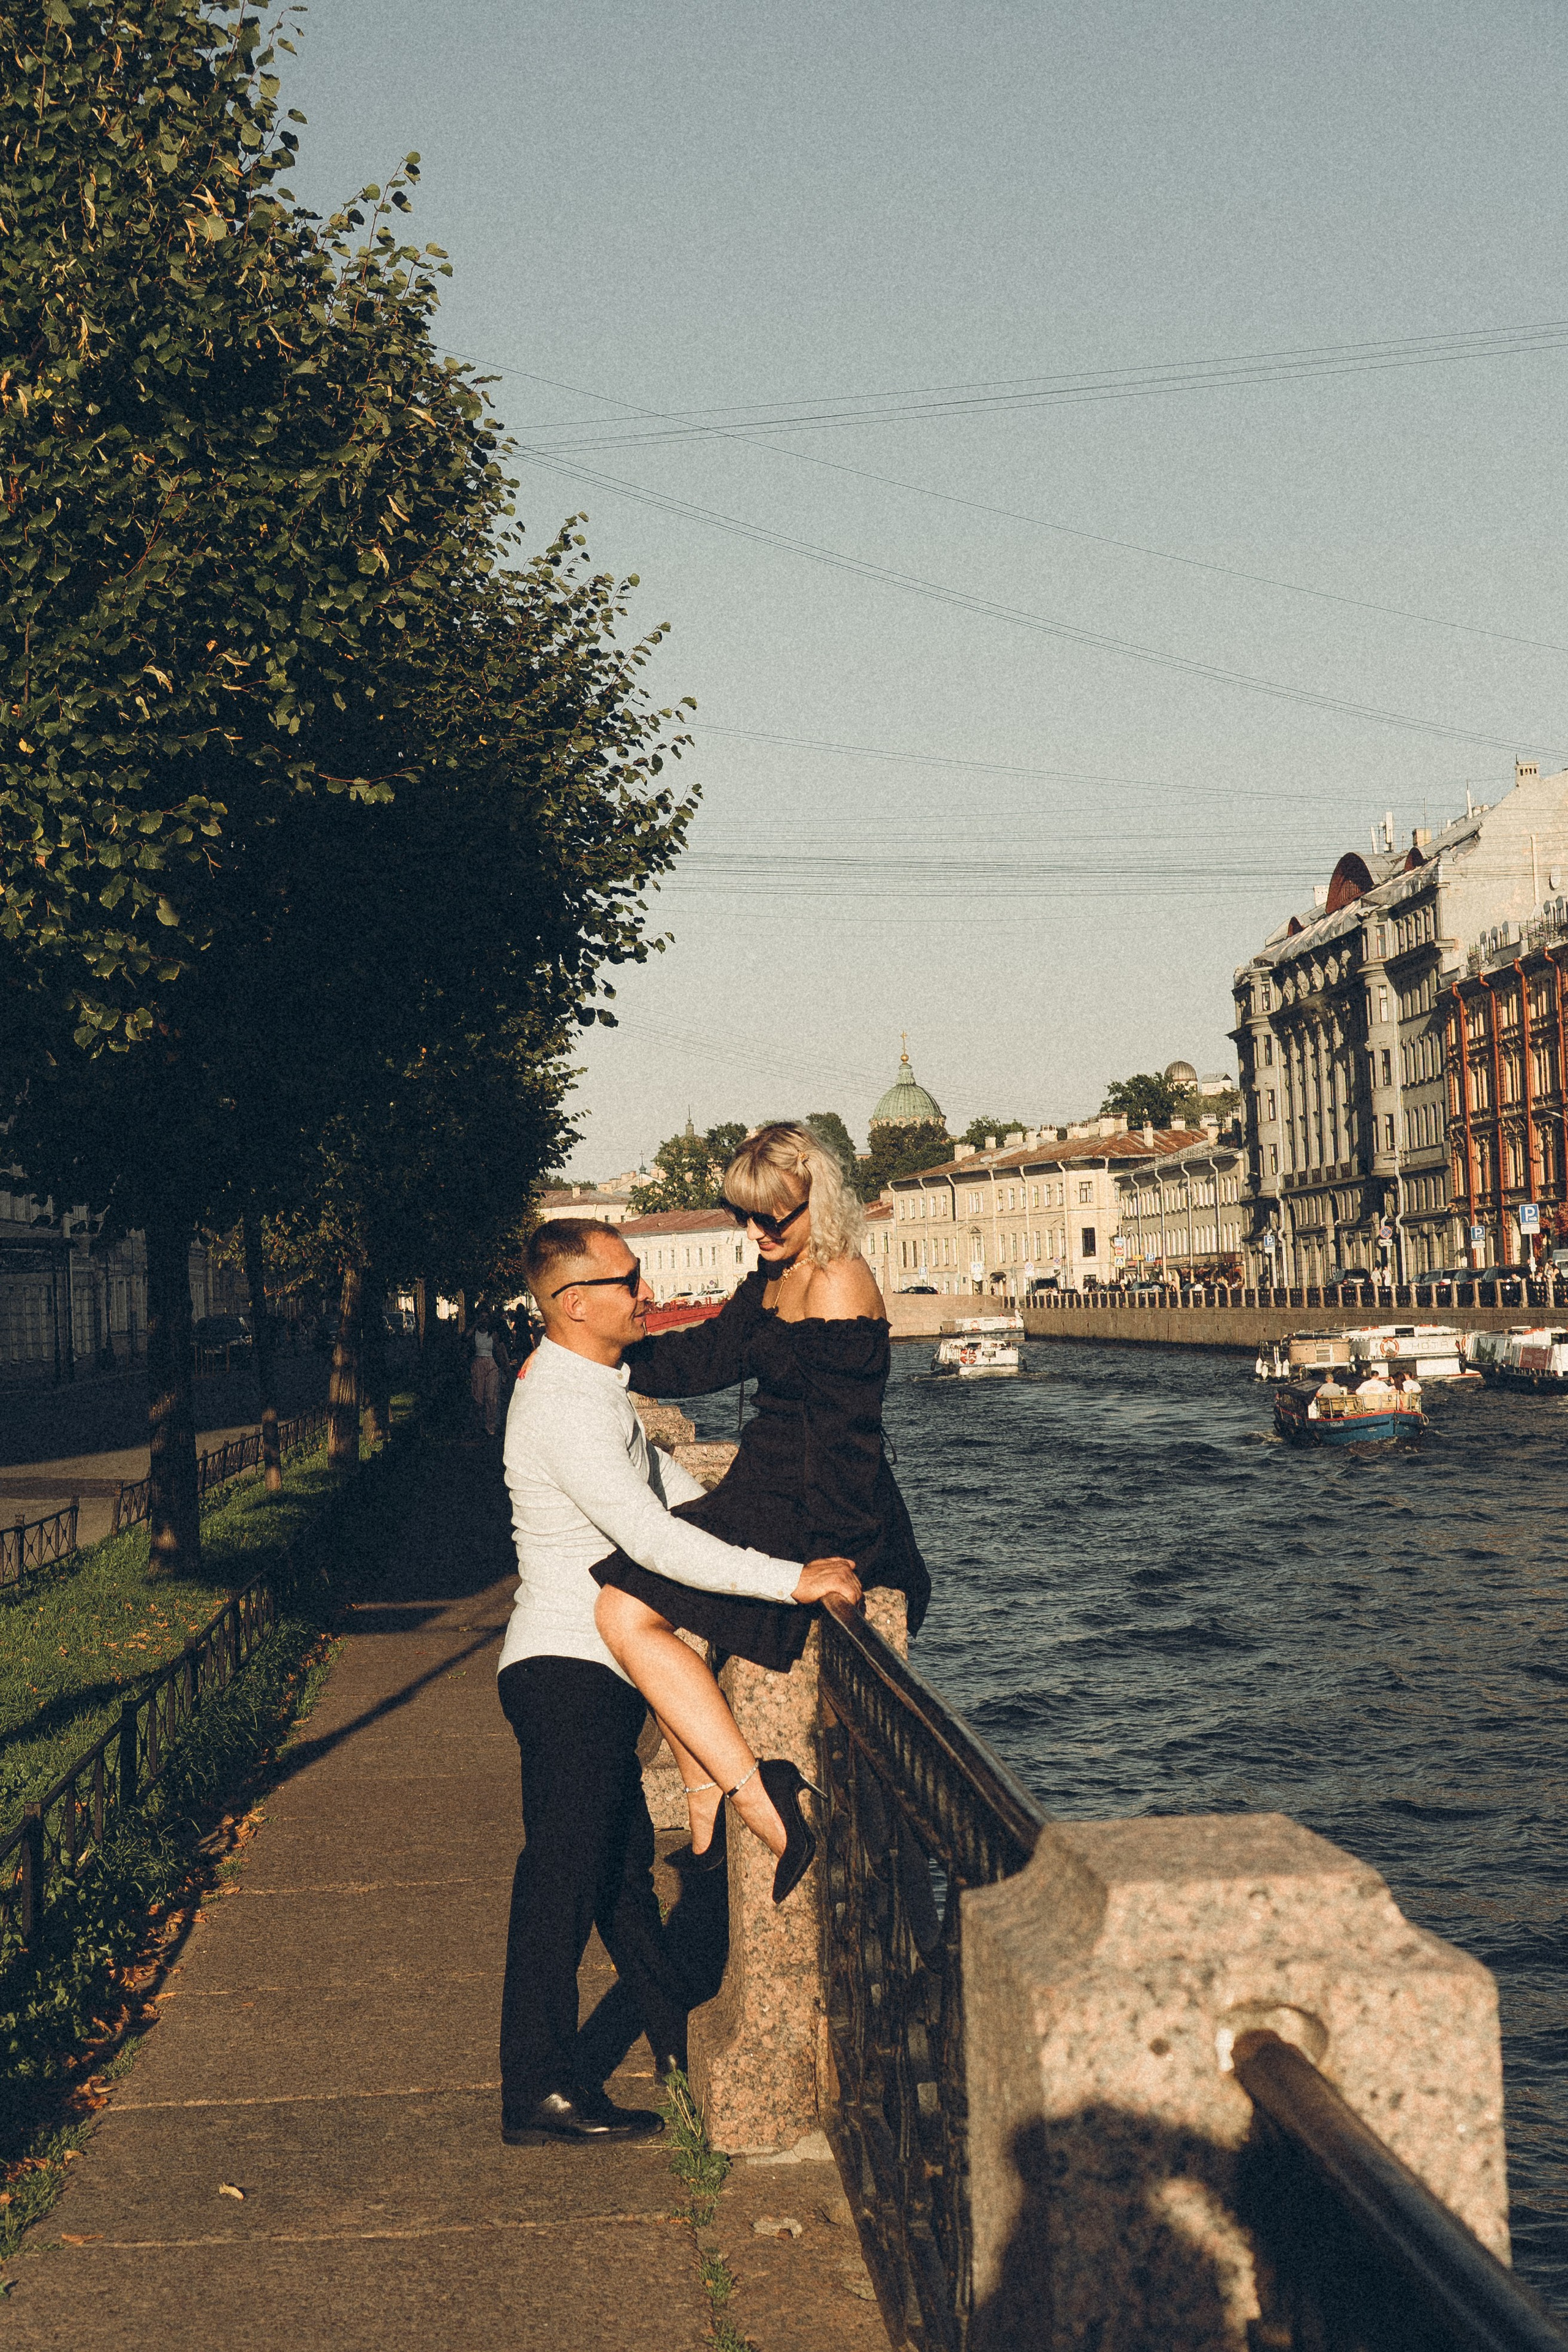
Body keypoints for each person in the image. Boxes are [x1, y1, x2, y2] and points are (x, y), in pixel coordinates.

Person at [497, 1215, 860, 2149]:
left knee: (616, 1880)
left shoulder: (589, 1387)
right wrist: (792, 1582)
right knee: (563, 1878)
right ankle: (534, 2087)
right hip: (567, 1668)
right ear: (574, 1305)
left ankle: (671, 2039)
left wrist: (805, 1515)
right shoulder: (567, 1406)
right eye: (628, 1281)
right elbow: (655, 1542)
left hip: (583, 1667)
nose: (647, 1294)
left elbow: (687, 1502)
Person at [590, 1121, 929, 1893]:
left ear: (820, 1201)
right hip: (762, 1488)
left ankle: (741, 1798)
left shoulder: (839, 1280)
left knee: (625, 1610)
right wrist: (602, 1356)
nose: (757, 1231)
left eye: (774, 1216)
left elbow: (849, 1438)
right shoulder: (773, 1276)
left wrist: (830, 1556)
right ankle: (715, 1798)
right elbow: (706, 1358)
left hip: (815, 1507)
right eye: (743, 1214)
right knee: (629, 1605)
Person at [470, 1306, 505, 1438]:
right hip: (478, 1364)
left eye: (486, 1317)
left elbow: (499, 1350)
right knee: (478, 1398)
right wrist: (475, 1325)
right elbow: (465, 1337)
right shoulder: (475, 1333)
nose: (484, 1320)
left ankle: (491, 1426)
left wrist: (504, 1368)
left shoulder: (493, 1334)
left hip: (491, 1364)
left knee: (491, 1397)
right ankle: (479, 1426)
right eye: (482, 1317)